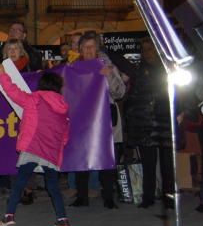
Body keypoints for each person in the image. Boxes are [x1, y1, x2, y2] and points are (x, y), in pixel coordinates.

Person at [0, 66, 71, 226]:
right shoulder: (63, 108)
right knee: (53, 186)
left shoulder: (34, 99)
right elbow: (65, 134)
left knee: (20, 183)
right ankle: (62, 219)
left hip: (33, 147)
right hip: (50, 151)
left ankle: (9, 216)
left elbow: (13, 92)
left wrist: (2, 75)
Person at [70, 33, 125, 207]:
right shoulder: (74, 68)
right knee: (81, 159)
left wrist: (107, 76)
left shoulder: (108, 66)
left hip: (104, 120)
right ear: (80, 49)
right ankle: (82, 197)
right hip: (82, 120)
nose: (88, 50)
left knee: (107, 158)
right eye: (85, 47)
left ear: (97, 48)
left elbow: (120, 92)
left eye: (92, 46)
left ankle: (108, 197)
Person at [122, 39, 174, 209]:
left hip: (164, 120)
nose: (148, 53)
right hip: (145, 123)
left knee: (167, 164)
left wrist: (180, 113)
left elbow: (178, 94)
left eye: (150, 49)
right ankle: (148, 196)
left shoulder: (167, 70)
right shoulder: (140, 72)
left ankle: (169, 197)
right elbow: (133, 98)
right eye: (145, 50)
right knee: (148, 163)